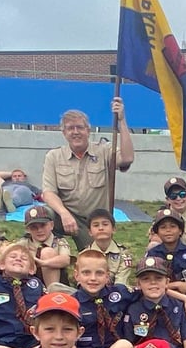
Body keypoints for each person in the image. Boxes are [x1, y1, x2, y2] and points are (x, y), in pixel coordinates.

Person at [41, 101, 134, 250]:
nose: (75, 132)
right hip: (65, 215)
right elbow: (48, 193)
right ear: (64, 133)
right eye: (70, 128)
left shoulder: (104, 151)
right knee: (41, 215)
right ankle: (44, 255)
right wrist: (64, 213)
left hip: (94, 221)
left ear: (88, 130)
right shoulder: (53, 156)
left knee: (94, 259)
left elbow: (128, 157)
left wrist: (122, 121)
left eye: (80, 127)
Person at [13, 204, 71, 287]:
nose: (39, 230)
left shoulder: (59, 241)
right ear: (27, 229)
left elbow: (65, 260)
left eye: (43, 225)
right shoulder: (24, 242)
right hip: (29, 283)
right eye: (34, 227)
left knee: (47, 252)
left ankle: (52, 294)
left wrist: (43, 263)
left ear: (51, 225)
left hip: (57, 283)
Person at [86, 208, 134, 289]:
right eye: (96, 225)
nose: (101, 228)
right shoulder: (85, 255)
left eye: (105, 224)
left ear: (113, 229)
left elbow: (121, 283)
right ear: (90, 232)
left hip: (117, 294)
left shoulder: (124, 254)